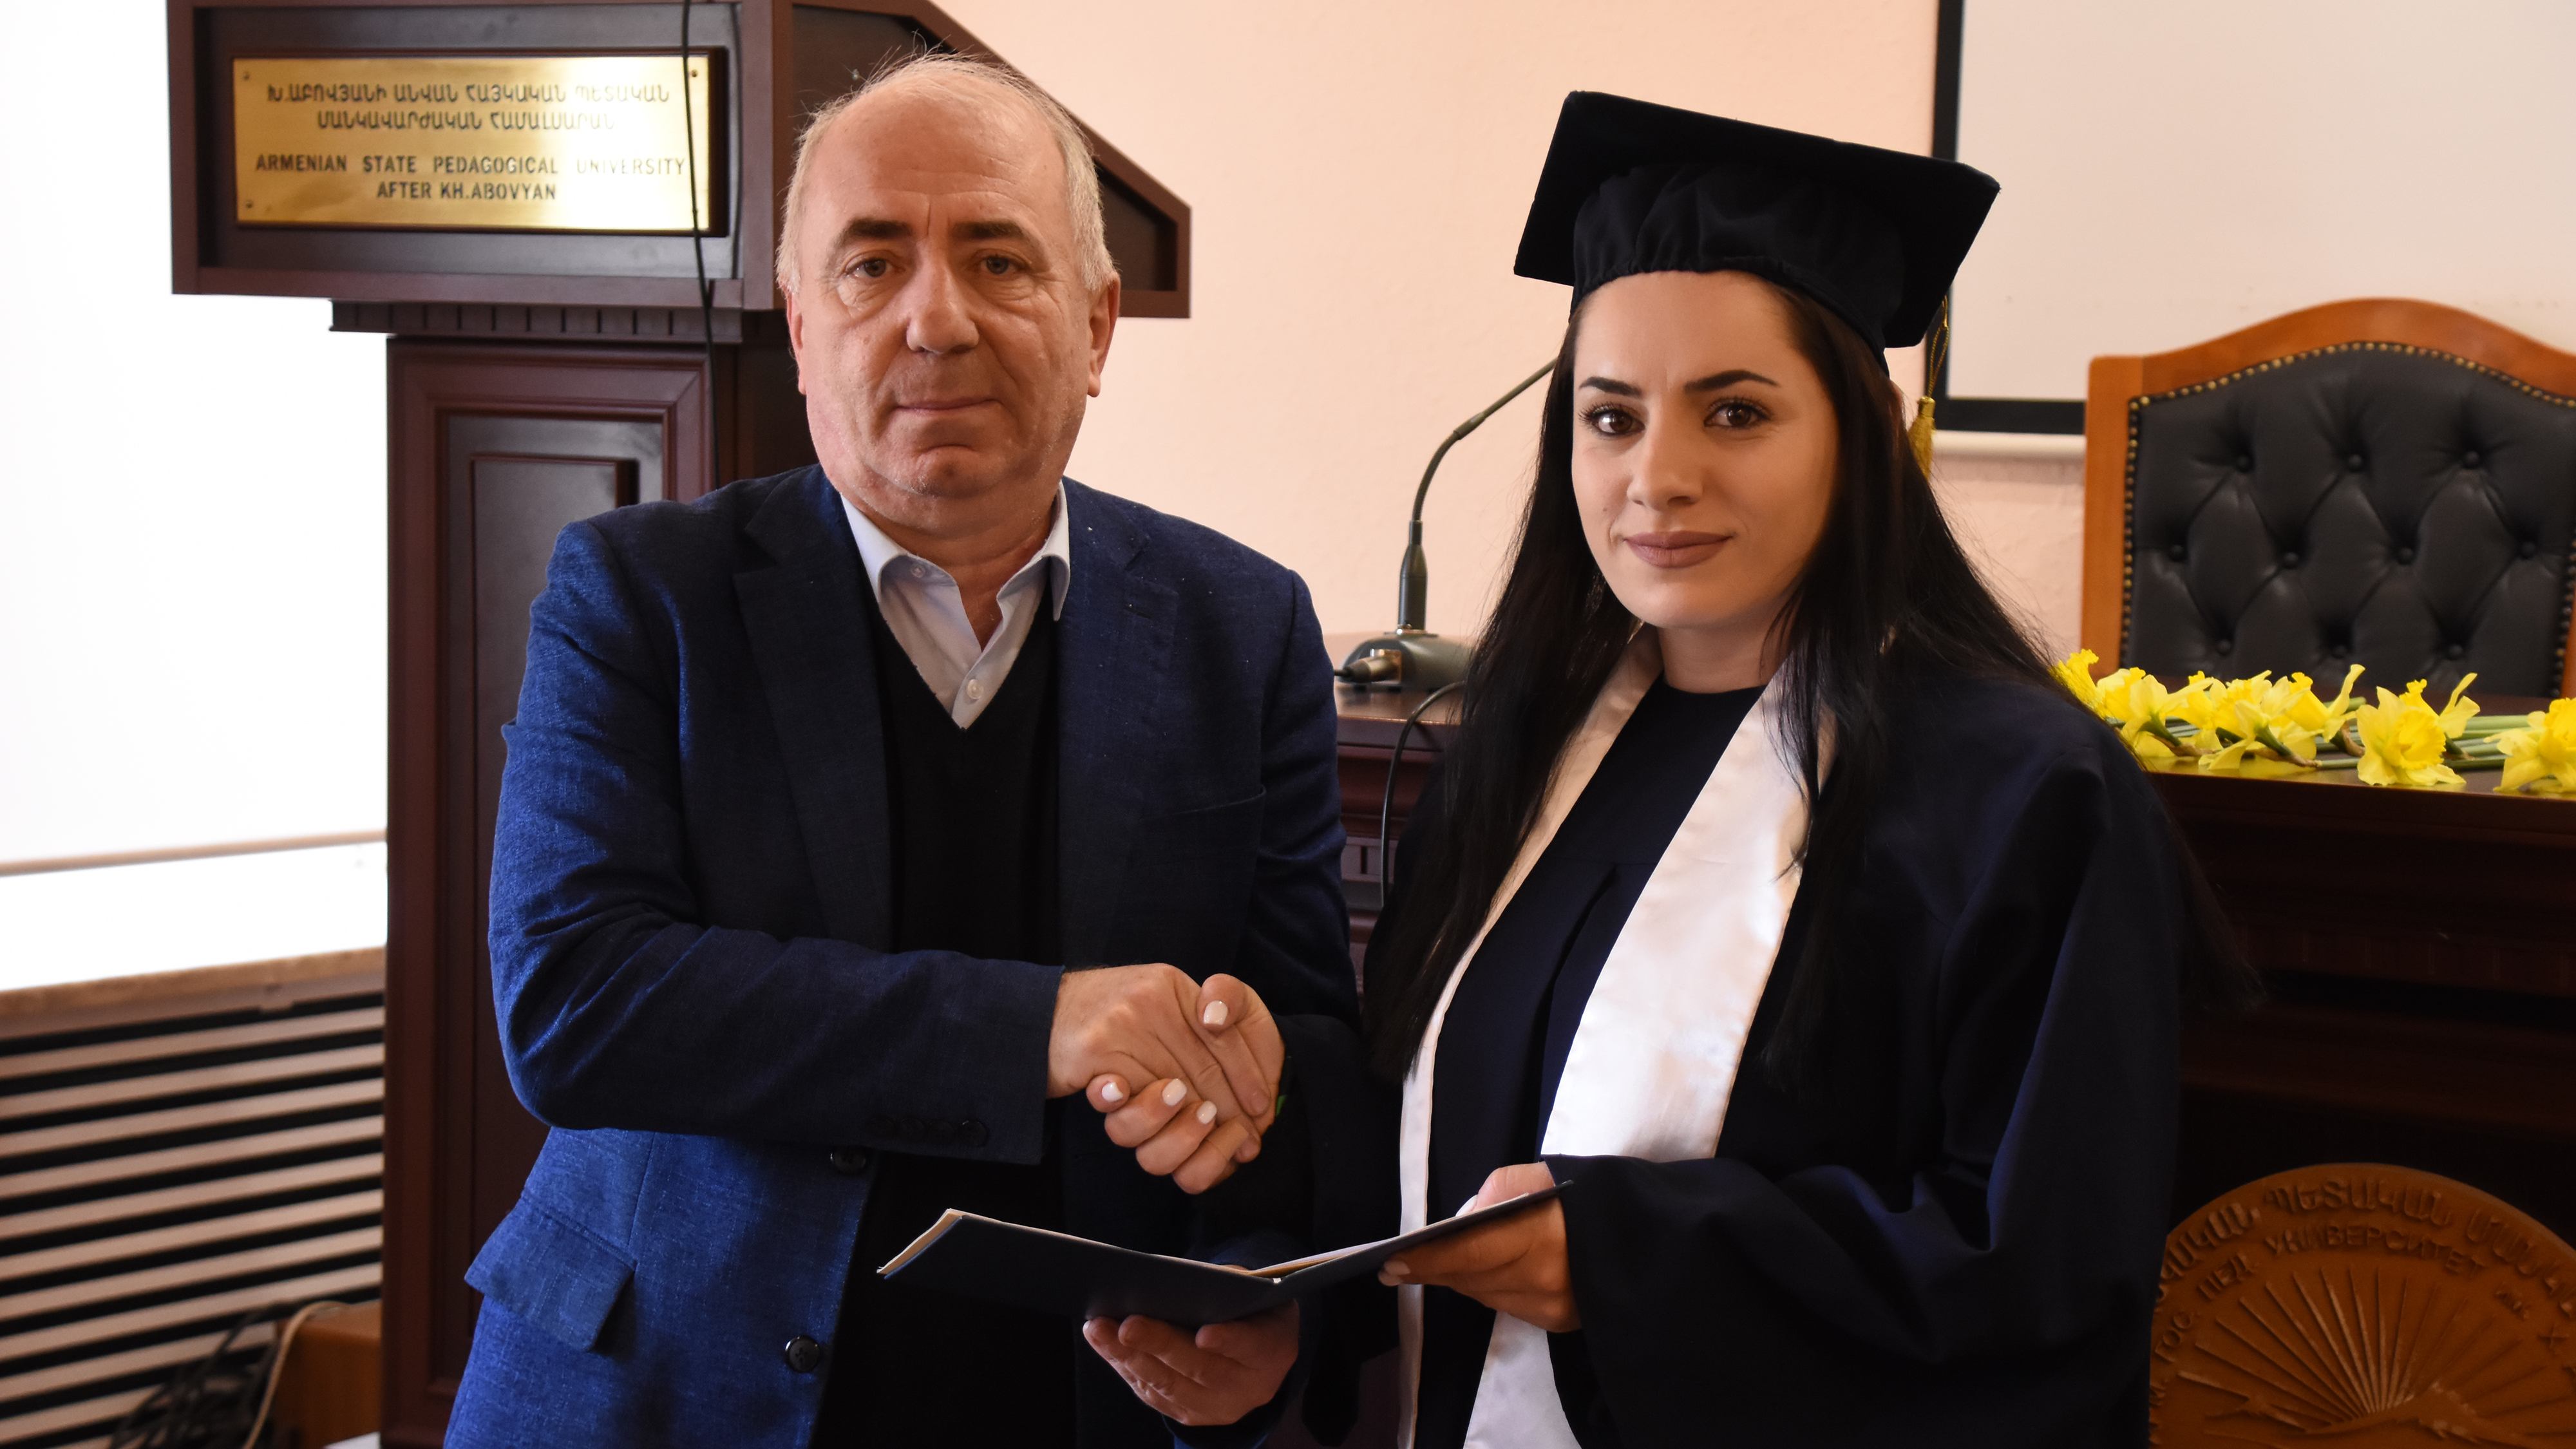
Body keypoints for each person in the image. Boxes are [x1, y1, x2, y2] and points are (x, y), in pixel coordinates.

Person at [446, 53, 1368, 1448]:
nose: (935, 320)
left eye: (999, 260)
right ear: (801, 327)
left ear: (1097, 325)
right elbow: (576, 1003)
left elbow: (1301, 1049)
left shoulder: (1241, 626)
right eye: (872, 266)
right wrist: (1042, 1025)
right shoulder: (639, 594)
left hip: (1066, 1403)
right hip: (658, 1394)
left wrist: (1255, 1304)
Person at [1356, 93, 2252, 1448]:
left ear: (1864, 425)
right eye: (1609, 417)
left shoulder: (2021, 799)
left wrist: (1633, 1257)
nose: (1656, 476)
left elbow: (2040, 1275)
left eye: (1733, 412)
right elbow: (1414, 1133)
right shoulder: (1517, 758)